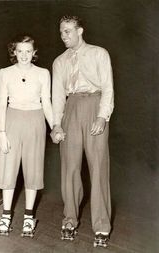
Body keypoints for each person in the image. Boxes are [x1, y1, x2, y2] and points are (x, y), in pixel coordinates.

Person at [51, 15, 114, 248]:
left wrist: (102, 116)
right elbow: (57, 96)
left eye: (67, 31)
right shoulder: (59, 61)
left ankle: (101, 226)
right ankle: (69, 220)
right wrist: (56, 124)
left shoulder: (99, 53)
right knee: (70, 168)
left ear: (80, 31)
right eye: (61, 32)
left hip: (95, 106)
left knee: (98, 168)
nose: (63, 36)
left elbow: (108, 87)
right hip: (71, 108)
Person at [0, 34, 53, 237]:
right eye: (20, 51)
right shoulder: (4, 73)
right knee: (8, 168)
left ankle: (29, 217)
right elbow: (2, 103)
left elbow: (46, 102)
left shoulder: (43, 73)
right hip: (12, 120)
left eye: (28, 51)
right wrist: (2, 133)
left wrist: (54, 126)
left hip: (36, 121)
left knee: (33, 168)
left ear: (34, 53)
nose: (24, 55)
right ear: (14, 52)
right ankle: (6, 215)